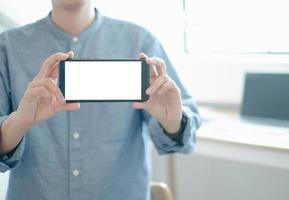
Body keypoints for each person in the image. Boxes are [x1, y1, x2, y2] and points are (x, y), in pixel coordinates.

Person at [0, 0, 201, 199]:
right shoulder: (7, 47)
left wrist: (172, 120)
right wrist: (18, 123)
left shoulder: (141, 41)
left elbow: (184, 139)